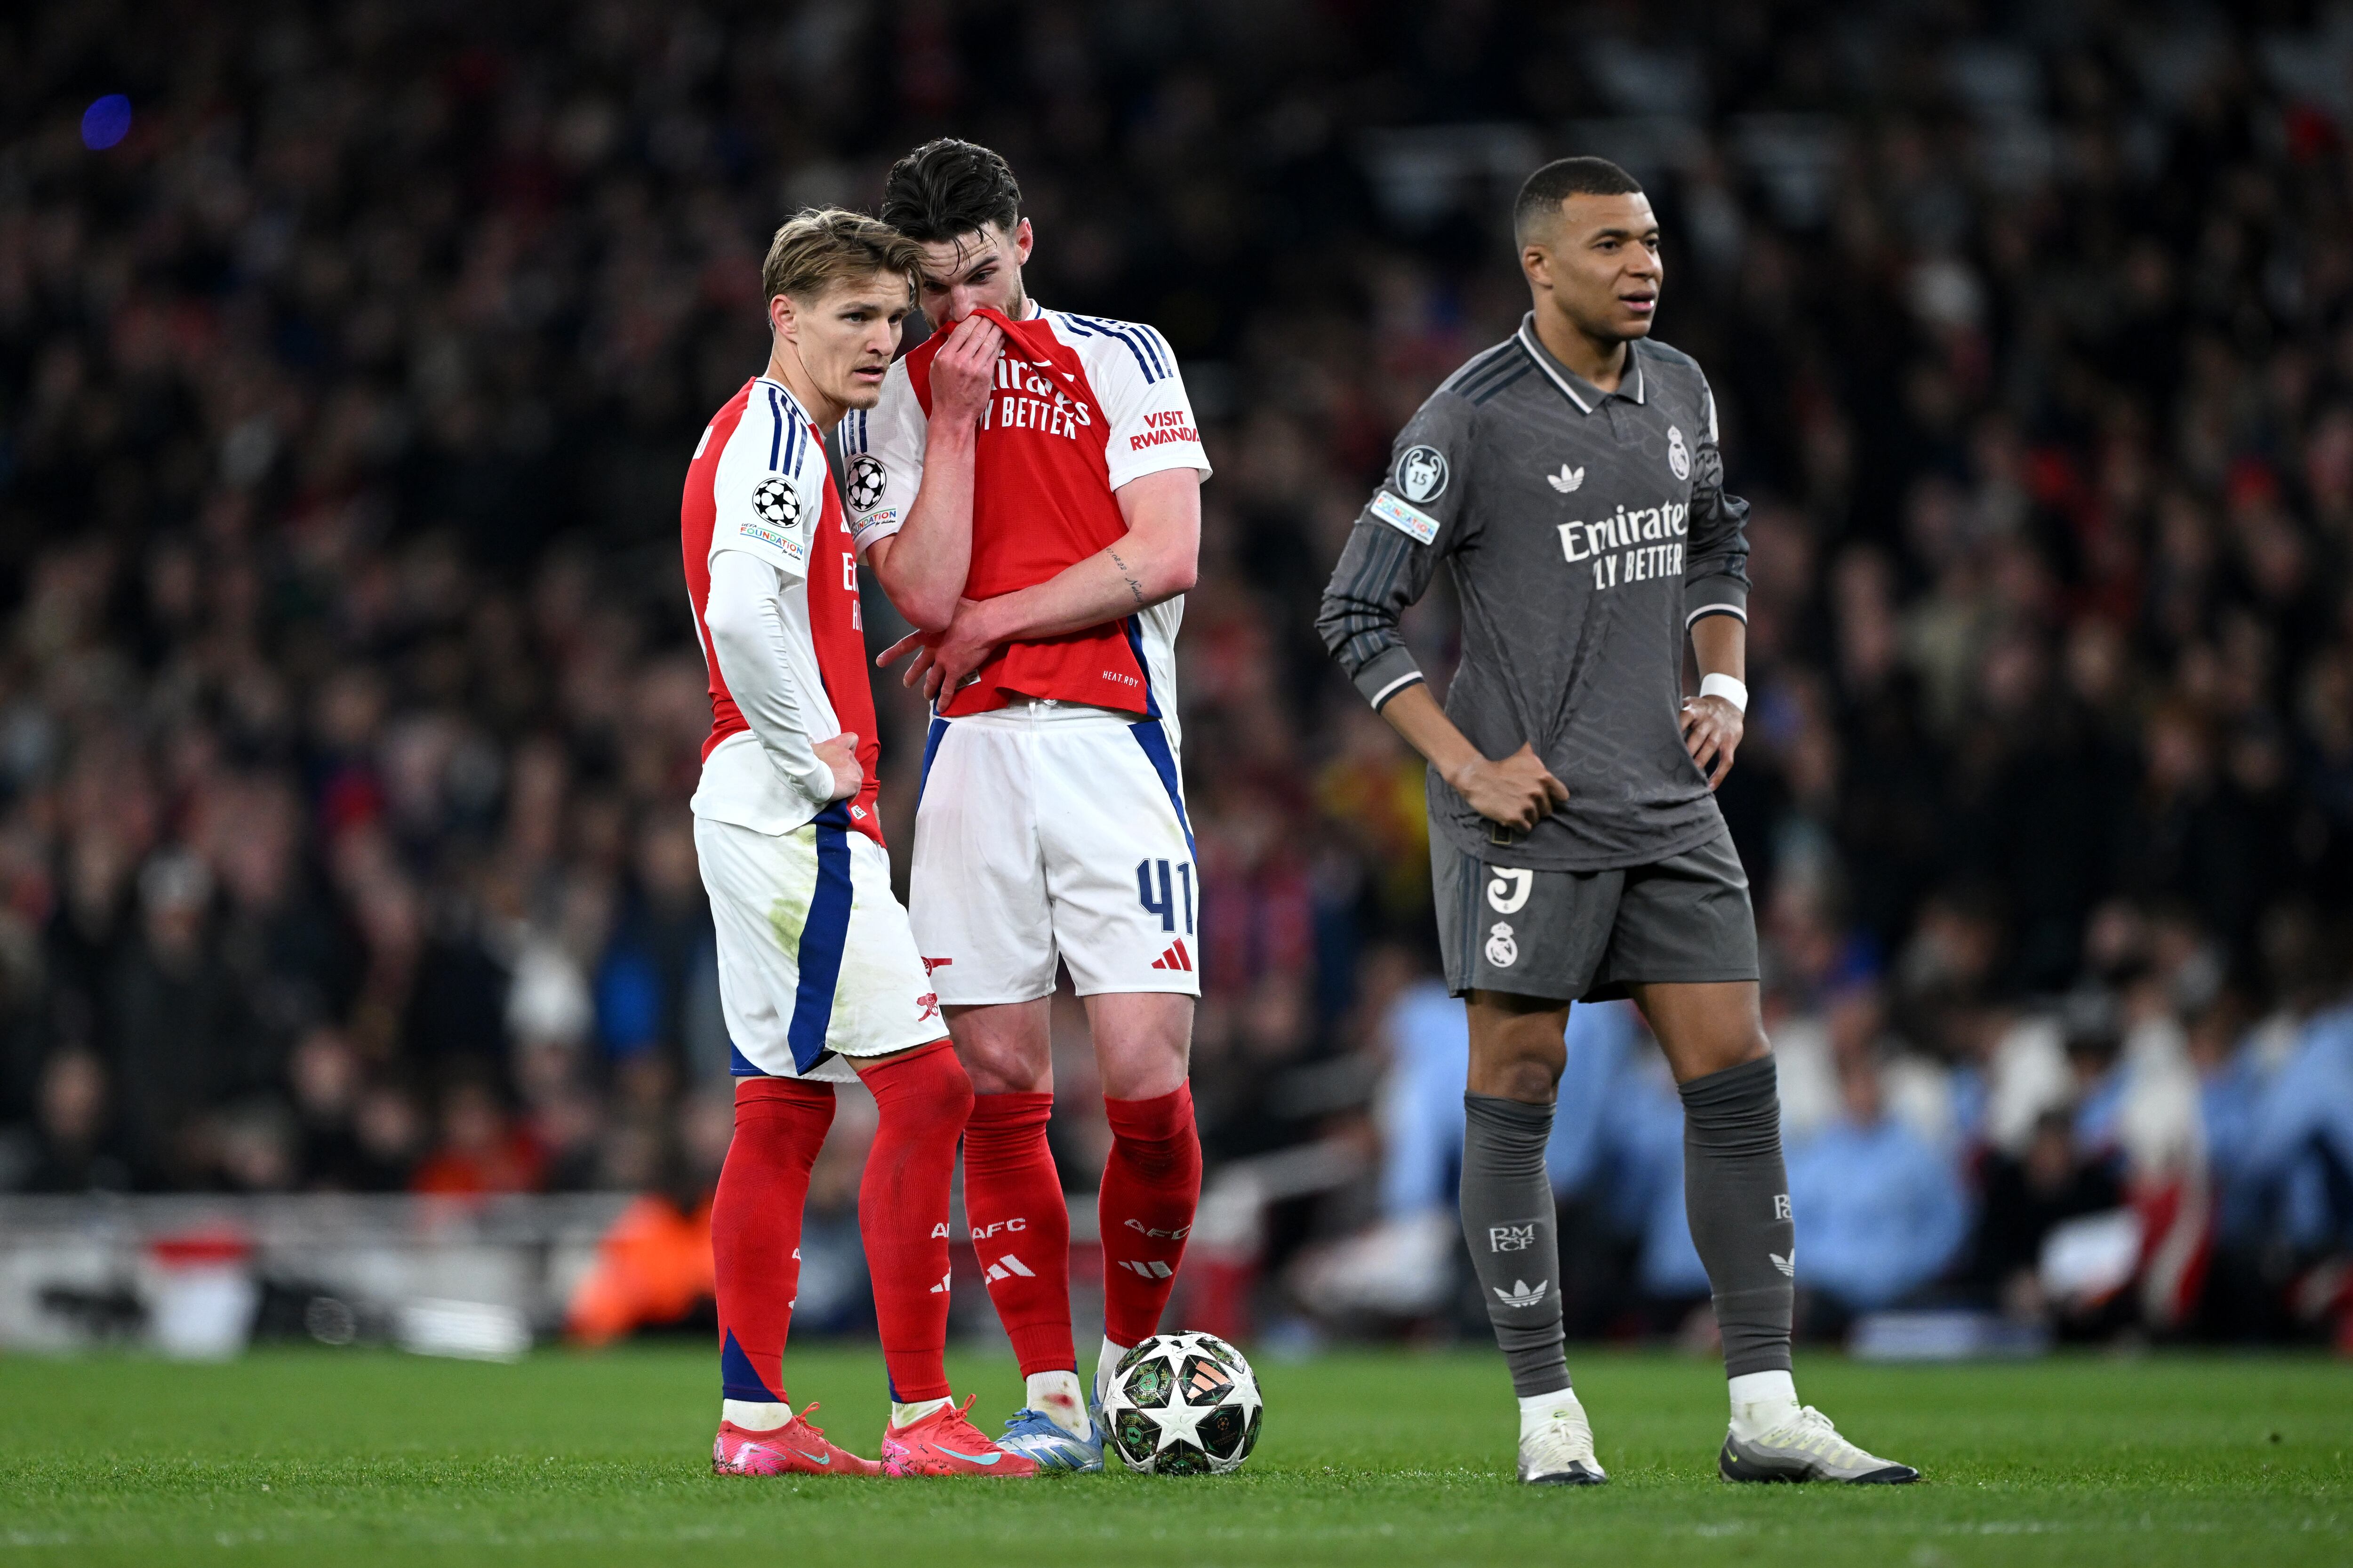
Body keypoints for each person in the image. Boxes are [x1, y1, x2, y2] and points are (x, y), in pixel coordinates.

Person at [1316, 156, 1917, 1487]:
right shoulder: (1467, 421)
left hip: (1669, 801)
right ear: (1541, 264)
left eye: (1650, 242)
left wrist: (1724, 677)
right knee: (1517, 1084)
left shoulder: (1683, 388)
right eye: (1611, 245)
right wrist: (1469, 771)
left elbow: (1720, 538)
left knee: (1738, 1071)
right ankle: (1548, 1412)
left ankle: (1764, 1403)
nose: (1644, 265)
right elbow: (1354, 608)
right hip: (1527, 818)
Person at [850, 139, 1212, 1472]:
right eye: (938, 289)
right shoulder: (890, 398)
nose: (967, 314)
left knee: (1146, 1077)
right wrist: (948, 419)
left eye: (985, 276)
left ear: (1026, 239)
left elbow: (1165, 550)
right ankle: (1054, 1394)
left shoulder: (1125, 355)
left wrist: (1003, 612)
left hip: (1114, 741)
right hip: (973, 753)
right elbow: (926, 602)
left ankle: (1131, 1356)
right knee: (999, 1084)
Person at [680, 207, 1032, 1480]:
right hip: (791, 813)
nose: (885, 338)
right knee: (930, 1088)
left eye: (895, 316)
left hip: (751, 806)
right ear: (786, 316)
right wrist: (811, 746)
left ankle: (756, 1422)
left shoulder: (776, 434)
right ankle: (921, 1413)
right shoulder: (776, 436)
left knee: (779, 1106)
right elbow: (738, 606)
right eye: (856, 317)